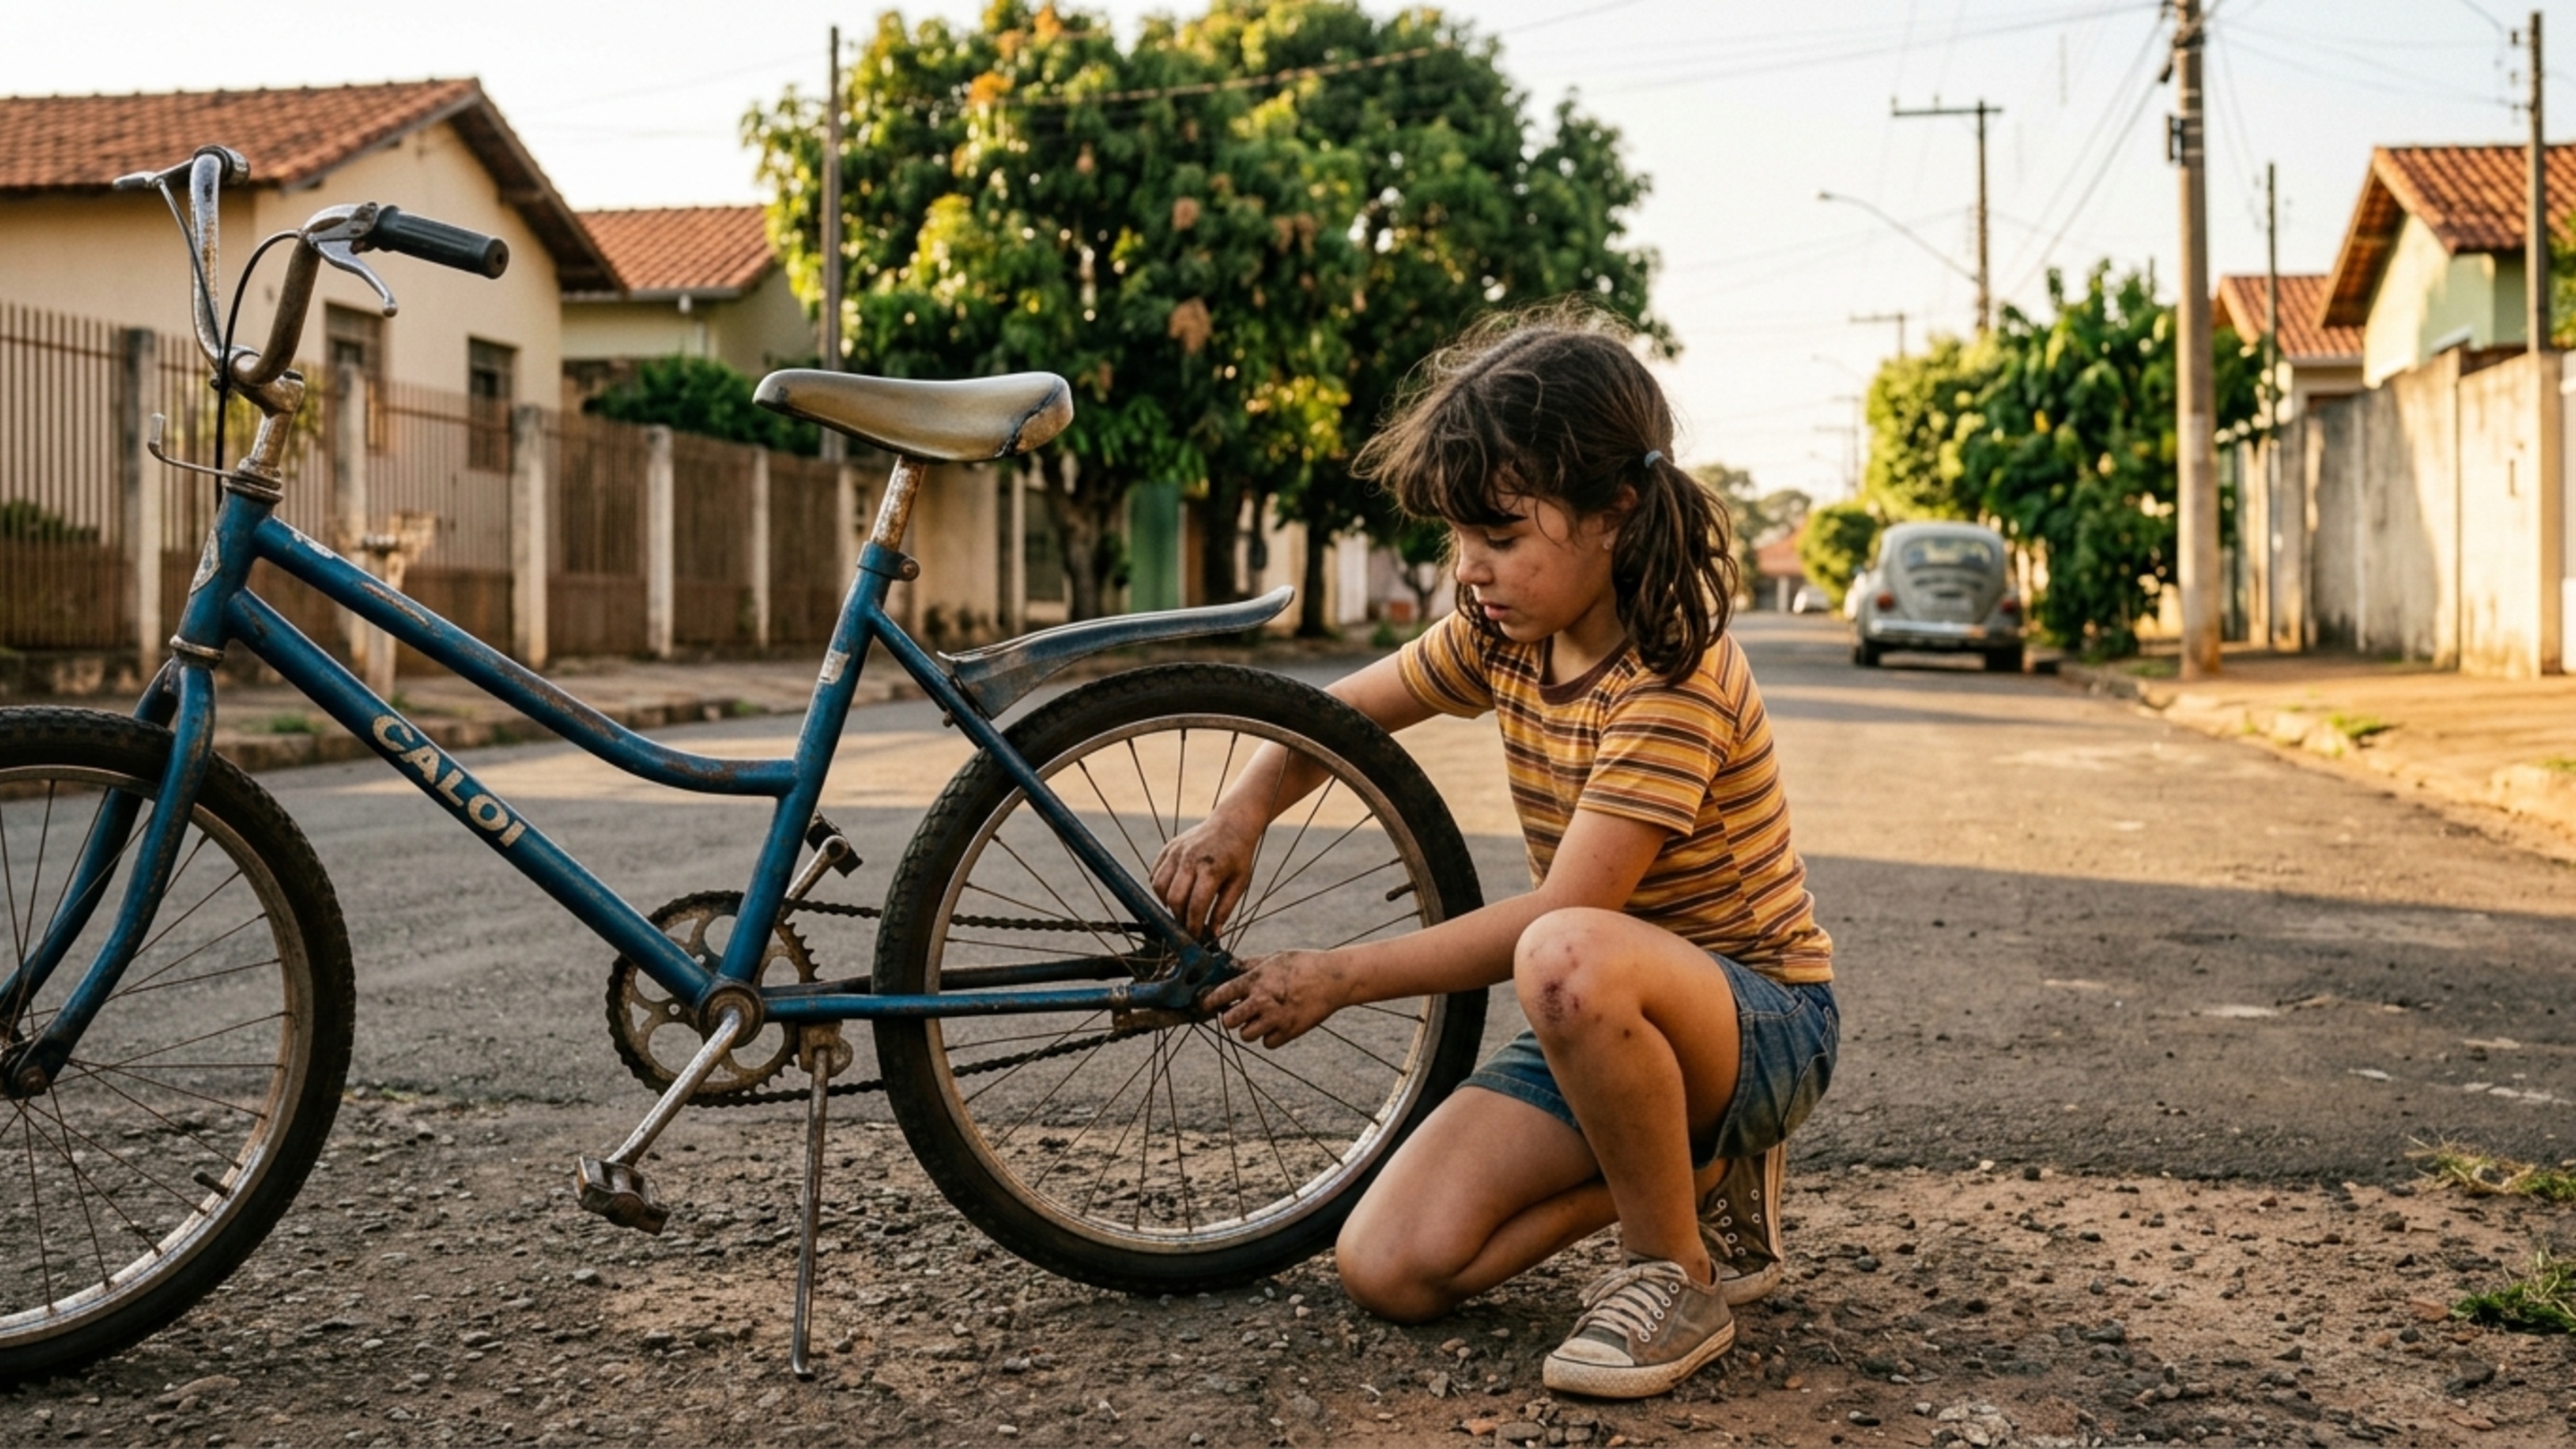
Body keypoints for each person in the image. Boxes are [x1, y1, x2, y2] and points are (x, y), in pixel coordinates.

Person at [1149, 305, 1838, 1400]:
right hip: (1604, 1023)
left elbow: (1565, 913)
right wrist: (1243, 813)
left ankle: (1675, 1269)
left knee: (1563, 951)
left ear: (1615, 513)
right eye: (1458, 539)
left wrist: (1336, 977)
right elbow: (1338, 720)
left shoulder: (1672, 674)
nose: (1470, 570)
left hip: (1757, 1019)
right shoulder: (1497, 634)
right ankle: (1699, 1170)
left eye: (1502, 537)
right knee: (1391, 1265)